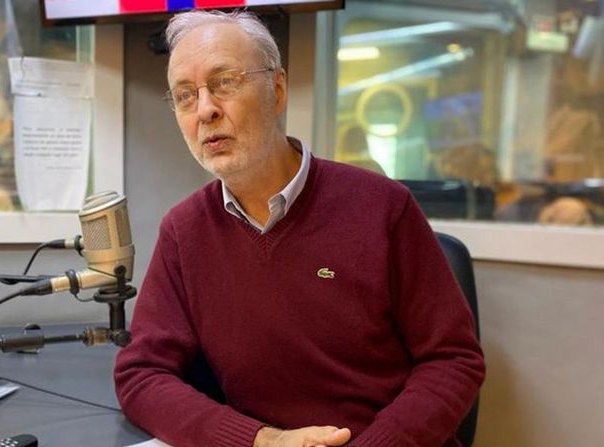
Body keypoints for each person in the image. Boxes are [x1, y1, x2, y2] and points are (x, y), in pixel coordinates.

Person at [114, 10, 485, 447]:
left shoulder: (383, 206)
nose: (206, 110)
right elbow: (141, 375)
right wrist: (260, 440)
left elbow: (454, 359)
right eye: (184, 96)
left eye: (224, 83)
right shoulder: (184, 231)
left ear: (278, 88)